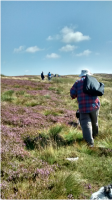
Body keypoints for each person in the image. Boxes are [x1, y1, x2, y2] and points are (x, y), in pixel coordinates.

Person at [70, 69, 100, 146]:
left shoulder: (78, 82)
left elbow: (72, 93)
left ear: (82, 75)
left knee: (86, 124)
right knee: (95, 122)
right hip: (95, 105)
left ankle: (89, 143)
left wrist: (75, 96)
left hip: (83, 107)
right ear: (89, 74)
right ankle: (95, 136)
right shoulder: (94, 80)